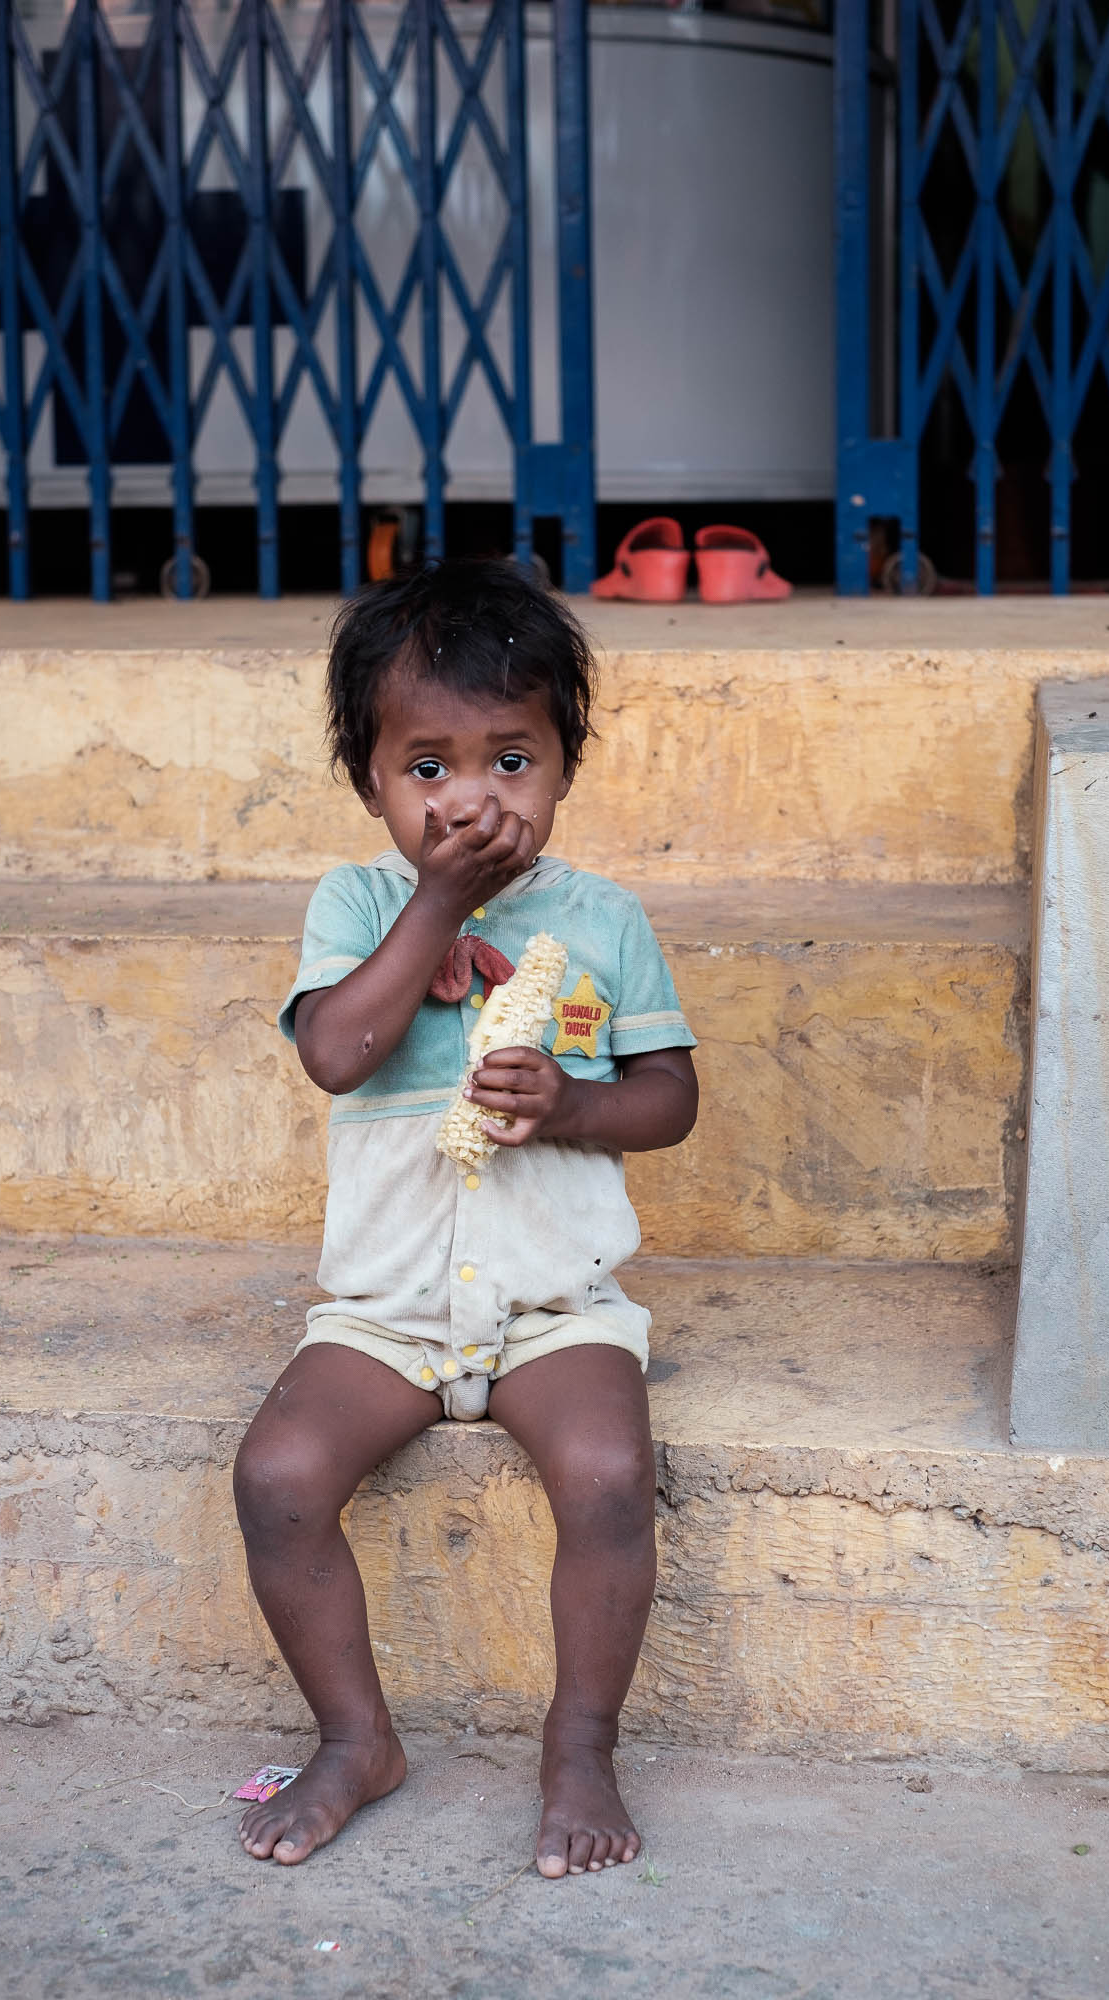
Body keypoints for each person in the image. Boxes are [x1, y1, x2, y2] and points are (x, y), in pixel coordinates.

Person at [232, 559, 698, 1876]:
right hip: (386, 1309)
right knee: (275, 1479)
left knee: (608, 1481)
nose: (471, 798)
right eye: (424, 768)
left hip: (557, 1301)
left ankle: (580, 1746)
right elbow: (334, 1052)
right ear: (368, 782)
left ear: (563, 763)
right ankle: (352, 1738)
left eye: (509, 758)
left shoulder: (602, 920)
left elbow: (669, 1098)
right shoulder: (358, 908)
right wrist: (440, 902)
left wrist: (570, 1104)